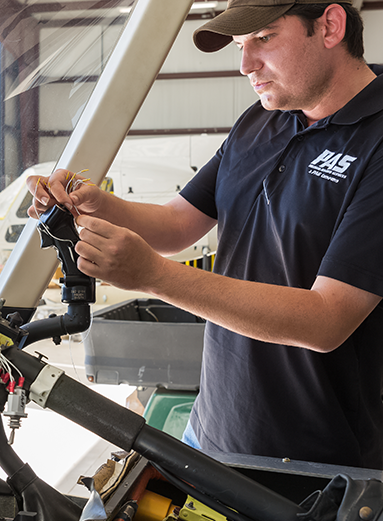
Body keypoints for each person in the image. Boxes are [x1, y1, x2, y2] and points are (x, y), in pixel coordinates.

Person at [27, 0, 383, 470]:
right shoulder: (260, 120)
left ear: (330, 26)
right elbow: (178, 224)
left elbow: (326, 319)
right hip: (212, 428)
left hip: (318, 462)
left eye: (264, 38)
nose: (245, 65)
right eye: (240, 45)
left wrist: (154, 277)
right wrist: (98, 203)